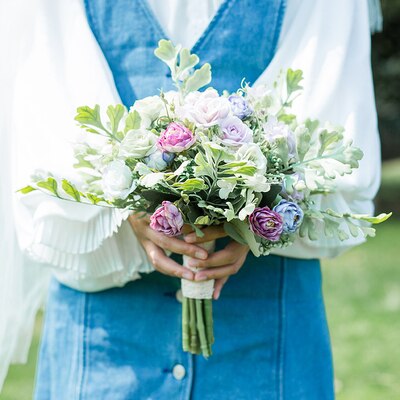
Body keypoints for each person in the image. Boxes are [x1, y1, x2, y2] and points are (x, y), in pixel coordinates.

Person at [0, 0, 383, 398]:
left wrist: (252, 216)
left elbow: (331, 105)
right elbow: (42, 115)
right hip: (105, 351)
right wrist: (125, 211)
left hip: (266, 346)